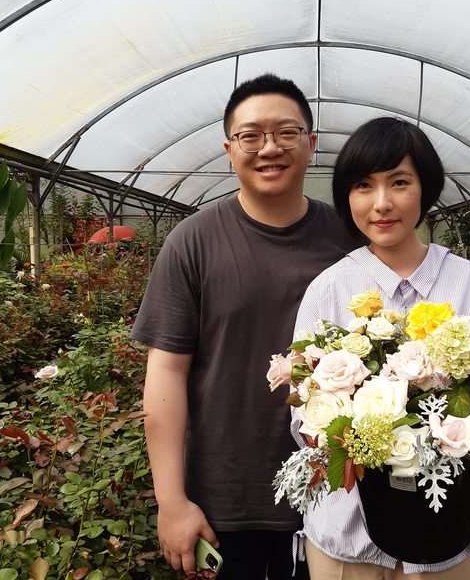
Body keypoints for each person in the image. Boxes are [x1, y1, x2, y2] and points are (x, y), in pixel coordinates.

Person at [130, 73, 358, 579]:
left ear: (311, 144)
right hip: (224, 500)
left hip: (337, 490)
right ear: (229, 150)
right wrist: (172, 502)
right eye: (251, 136)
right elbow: (166, 371)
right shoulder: (192, 242)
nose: (269, 148)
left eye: (286, 133)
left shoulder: (349, 239)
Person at [292, 117, 470, 579]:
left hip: (449, 539)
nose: (382, 203)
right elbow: (304, 413)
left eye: (400, 182)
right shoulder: (329, 289)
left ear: (425, 188)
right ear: (347, 196)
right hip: (347, 545)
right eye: (363, 185)